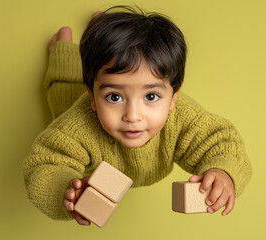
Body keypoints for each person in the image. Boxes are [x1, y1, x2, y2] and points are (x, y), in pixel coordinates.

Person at [22, 6, 252, 226]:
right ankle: (64, 45)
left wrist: (223, 171)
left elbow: (222, 142)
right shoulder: (76, 127)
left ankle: (100, 31)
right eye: (114, 97)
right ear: (92, 95)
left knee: (105, 58)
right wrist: (67, 190)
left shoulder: (182, 116)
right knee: (64, 91)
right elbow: (43, 165)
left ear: (174, 97)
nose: (132, 116)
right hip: (75, 106)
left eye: (151, 97)